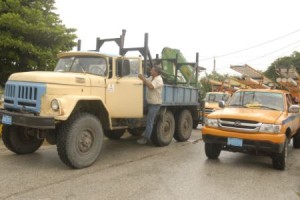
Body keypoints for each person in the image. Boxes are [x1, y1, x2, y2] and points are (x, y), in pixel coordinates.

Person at [137, 65, 164, 145]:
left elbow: (150, 86)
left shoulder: (159, 80)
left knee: (149, 121)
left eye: (152, 70)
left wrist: (143, 78)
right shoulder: (152, 78)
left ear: (156, 72)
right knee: (136, 108)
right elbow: (145, 81)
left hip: (155, 104)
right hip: (149, 101)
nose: (150, 71)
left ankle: (146, 138)